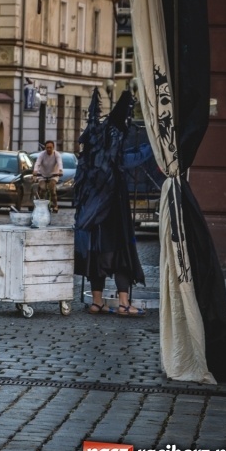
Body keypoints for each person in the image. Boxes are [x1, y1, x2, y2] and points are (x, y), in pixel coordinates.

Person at [74, 89, 151, 317]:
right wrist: (153, 147)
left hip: (90, 211)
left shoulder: (95, 140)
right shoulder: (115, 140)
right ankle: (124, 304)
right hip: (113, 209)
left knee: (96, 256)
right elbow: (129, 160)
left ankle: (97, 302)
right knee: (121, 255)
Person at [31, 140, 64, 213]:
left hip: (53, 175)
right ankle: (41, 205)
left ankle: (55, 205)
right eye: (47, 148)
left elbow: (60, 163)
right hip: (42, 175)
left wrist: (60, 171)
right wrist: (35, 171)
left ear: (53, 147)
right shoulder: (42, 154)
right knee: (42, 189)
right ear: (45, 148)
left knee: (52, 189)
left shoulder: (56, 154)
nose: (49, 149)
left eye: (50, 147)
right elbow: (37, 163)